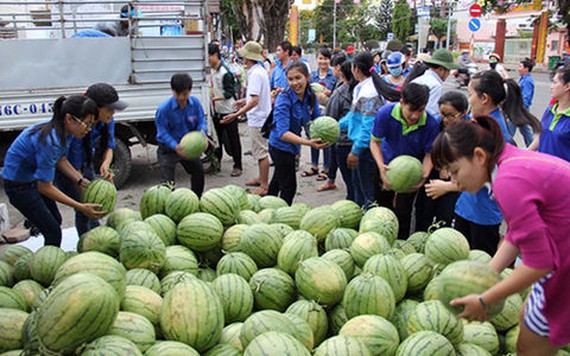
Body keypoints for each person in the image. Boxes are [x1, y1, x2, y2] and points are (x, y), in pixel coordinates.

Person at [431, 116, 570, 355]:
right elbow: (518, 232)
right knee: (527, 315)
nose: (454, 181)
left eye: (455, 171)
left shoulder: (507, 181)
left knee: (529, 348)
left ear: (479, 156)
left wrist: (485, 299)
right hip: (561, 250)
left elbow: (540, 263)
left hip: (562, 261)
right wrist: (487, 274)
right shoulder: (507, 159)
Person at [453, 70, 540, 255]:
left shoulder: (495, 133)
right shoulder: (479, 122)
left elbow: (488, 180)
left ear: (484, 98)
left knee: (478, 265)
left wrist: (447, 187)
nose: (469, 100)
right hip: (467, 207)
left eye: (470, 95)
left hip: (482, 214)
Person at [2, 95, 104, 247]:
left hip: (31, 180)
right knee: (53, 231)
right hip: (19, 187)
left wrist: (80, 180)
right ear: (70, 119)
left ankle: (45, 251)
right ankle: (46, 267)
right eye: (87, 124)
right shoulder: (51, 140)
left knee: (55, 220)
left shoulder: (65, 132)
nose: (89, 130)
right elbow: (44, 187)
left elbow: (60, 159)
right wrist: (80, 206)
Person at [55, 83, 127, 237]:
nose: (112, 113)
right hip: (68, 168)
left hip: (85, 163)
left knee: (91, 207)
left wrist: (106, 165)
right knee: (83, 208)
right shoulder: (78, 124)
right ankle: (87, 242)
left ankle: (96, 237)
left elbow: (110, 145)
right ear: (95, 109)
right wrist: (80, 182)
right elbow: (69, 162)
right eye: (109, 109)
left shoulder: (106, 119)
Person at [370, 83, 440, 239]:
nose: (415, 115)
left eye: (420, 110)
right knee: (382, 208)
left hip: (411, 173)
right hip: (386, 165)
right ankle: (380, 240)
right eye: (411, 110)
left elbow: (429, 154)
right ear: (402, 102)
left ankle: (401, 242)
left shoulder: (430, 124)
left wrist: (423, 175)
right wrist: (381, 167)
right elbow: (375, 142)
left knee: (403, 212)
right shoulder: (385, 114)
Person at [338, 51, 400, 209]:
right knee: (358, 188)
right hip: (362, 147)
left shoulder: (369, 91)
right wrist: (335, 126)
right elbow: (354, 117)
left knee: (368, 193)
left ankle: (371, 223)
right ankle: (360, 220)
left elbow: (368, 127)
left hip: (367, 150)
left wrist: (356, 151)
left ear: (356, 69)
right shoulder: (363, 86)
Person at [267, 61, 329, 204]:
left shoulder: (310, 97)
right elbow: (282, 133)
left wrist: (326, 135)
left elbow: (316, 121)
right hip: (279, 146)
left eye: (298, 78)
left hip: (293, 146)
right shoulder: (283, 98)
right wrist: (308, 143)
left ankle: (266, 206)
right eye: (290, 79)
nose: (295, 83)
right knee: (289, 187)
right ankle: (281, 218)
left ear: (307, 77)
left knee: (278, 179)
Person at [223, 41, 272, 196]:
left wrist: (237, 114)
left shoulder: (256, 74)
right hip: (259, 117)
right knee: (258, 151)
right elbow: (254, 96)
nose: (242, 58)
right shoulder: (257, 71)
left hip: (259, 119)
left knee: (261, 153)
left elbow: (255, 100)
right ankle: (260, 178)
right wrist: (243, 101)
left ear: (249, 57)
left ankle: (264, 186)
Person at [422, 91, 470, 230]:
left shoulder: (469, 130)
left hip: (454, 179)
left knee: (445, 216)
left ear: (463, 113)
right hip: (433, 173)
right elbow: (429, 150)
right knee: (425, 212)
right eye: (443, 114)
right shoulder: (435, 125)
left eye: (451, 116)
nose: (446, 119)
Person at [155, 73, 207, 197]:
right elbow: (162, 133)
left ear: (189, 90)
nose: (181, 98)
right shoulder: (163, 109)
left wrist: (202, 135)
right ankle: (167, 207)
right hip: (168, 149)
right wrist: (176, 146)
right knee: (167, 184)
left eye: (184, 94)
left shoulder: (195, 104)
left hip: (188, 147)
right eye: (177, 94)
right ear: (173, 91)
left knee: (198, 171)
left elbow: (201, 121)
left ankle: (196, 199)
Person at [318, 58, 355, 197]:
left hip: (344, 141)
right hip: (361, 142)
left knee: (351, 183)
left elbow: (330, 118)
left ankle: (353, 205)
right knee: (357, 181)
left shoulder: (340, 92)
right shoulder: (363, 89)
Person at [208, 42, 243, 177]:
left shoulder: (225, 72)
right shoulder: (211, 71)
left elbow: (230, 91)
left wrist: (216, 98)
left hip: (229, 111)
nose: (208, 60)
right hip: (216, 111)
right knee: (216, 140)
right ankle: (216, 164)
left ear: (215, 55)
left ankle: (237, 165)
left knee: (233, 139)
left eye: (209, 56)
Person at [303, 47, 337, 181]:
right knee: (313, 137)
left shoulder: (333, 76)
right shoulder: (312, 76)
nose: (323, 61)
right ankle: (315, 165)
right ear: (316, 59)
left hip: (328, 111)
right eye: (321, 58)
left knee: (326, 140)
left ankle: (327, 168)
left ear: (330, 60)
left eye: (326, 58)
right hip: (314, 111)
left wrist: (329, 93)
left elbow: (336, 94)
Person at [528, 64, 570, 162]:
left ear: (567, 86)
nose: (551, 87)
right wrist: (527, 153)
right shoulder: (550, 110)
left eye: (555, 83)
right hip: (543, 169)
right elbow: (542, 136)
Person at [411, 48, 459, 117]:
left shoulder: (417, 80)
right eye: (448, 71)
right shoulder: (436, 86)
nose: (448, 74)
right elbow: (431, 113)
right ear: (441, 69)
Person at [506, 58, 535, 147]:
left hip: (519, 109)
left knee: (509, 130)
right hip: (519, 108)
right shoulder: (522, 79)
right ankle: (532, 147)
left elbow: (525, 97)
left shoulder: (527, 81)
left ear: (526, 69)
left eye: (520, 66)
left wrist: (519, 109)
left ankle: (505, 145)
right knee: (525, 130)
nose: (518, 68)